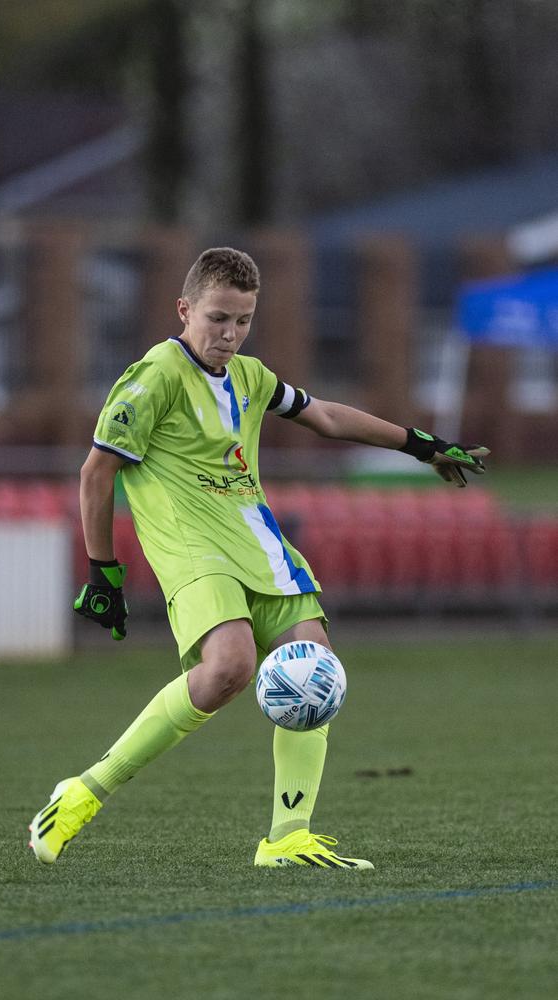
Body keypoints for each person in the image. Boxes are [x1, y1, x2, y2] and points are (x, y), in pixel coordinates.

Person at [29, 247, 489, 869]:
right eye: (218, 318)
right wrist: (102, 570)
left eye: (243, 321)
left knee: (317, 671)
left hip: (264, 548)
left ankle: (287, 837)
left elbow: (324, 414)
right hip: (194, 549)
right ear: (185, 310)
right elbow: (96, 471)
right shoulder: (154, 375)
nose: (230, 334)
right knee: (229, 669)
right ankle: (83, 792)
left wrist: (421, 445)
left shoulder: (249, 375)